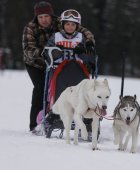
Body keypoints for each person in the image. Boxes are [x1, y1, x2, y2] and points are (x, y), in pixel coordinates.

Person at [22, 1, 95, 133]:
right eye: (40, 17)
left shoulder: (61, 21)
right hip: (36, 63)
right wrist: (50, 52)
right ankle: (35, 124)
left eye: (46, 16)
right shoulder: (30, 28)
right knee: (40, 89)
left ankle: (80, 115)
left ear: (52, 16)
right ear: (36, 18)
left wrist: (88, 42)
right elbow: (28, 49)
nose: (44, 19)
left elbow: (82, 29)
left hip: (61, 65)